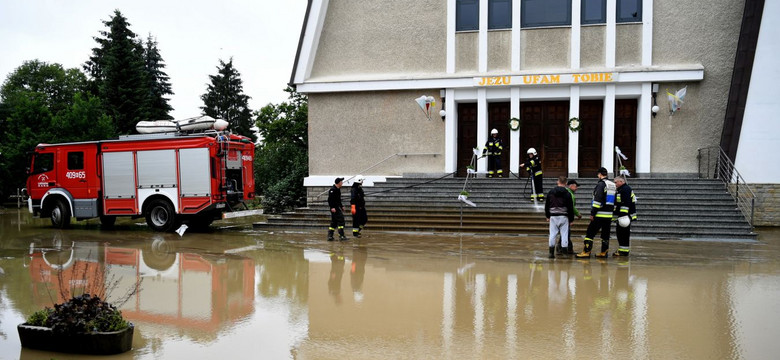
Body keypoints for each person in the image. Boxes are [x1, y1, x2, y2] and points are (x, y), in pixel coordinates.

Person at [576, 167, 616, 259]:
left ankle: (586, 252)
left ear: (600, 174)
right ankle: (604, 252)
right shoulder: (613, 185)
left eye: (598, 174)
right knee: (605, 234)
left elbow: (597, 200)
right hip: (609, 215)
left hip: (599, 214)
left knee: (590, 233)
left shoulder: (601, 185)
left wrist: (593, 213)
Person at [545, 176, 575, 258]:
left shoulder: (551, 192)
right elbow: (570, 207)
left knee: (552, 234)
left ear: (557, 182)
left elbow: (547, 205)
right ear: (566, 183)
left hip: (553, 216)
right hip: (564, 216)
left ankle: (551, 253)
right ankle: (565, 253)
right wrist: (571, 219)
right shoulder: (567, 193)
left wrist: (547, 215)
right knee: (564, 234)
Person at [612, 175, 637, 257]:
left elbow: (625, 204)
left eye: (616, 182)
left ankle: (623, 251)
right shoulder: (622, 189)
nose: (614, 184)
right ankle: (623, 250)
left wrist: (622, 215)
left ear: (621, 182)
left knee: (622, 234)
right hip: (624, 216)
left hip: (624, 216)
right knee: (622, 234)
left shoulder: (625, 189)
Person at [557, 179, 582, 254]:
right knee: (566, 233)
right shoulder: (569, 194)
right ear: (571, 186)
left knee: (565, 233)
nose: (576, 188)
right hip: (565, 216)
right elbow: (571, 207)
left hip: (562, 215)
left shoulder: (567, 193)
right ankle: (562, 249)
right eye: (575, 186)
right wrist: (577, 214)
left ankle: (566, 248)